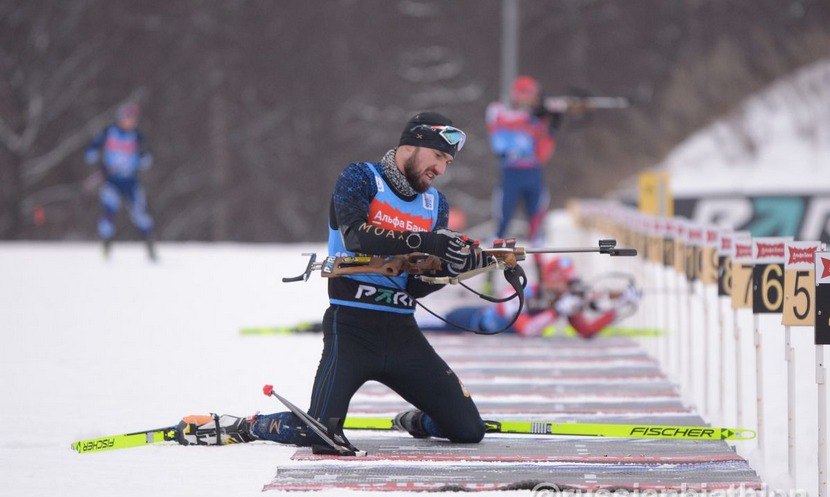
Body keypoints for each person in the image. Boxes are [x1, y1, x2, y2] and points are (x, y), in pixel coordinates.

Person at [175, 112, 492, 447]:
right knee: (322, 434)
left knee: (469, 430)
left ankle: (419, 420)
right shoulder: (361, 177)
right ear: (414, 144)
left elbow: (414, 286)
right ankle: (249, 426)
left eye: (447, 162)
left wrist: (451, 269)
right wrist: (426, 241)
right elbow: (357, 238)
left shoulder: (435, 203)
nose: (441, 169)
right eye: (439, 156)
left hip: (402, 334)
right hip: (352, 328)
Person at [419, 257, 641, 338]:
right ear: (552, 280)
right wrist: (557, 311)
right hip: (470, 321)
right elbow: (527, 330)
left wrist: (617, 307)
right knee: (425, 326)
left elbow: (586, 331)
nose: (568, 287)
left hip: (493, 333)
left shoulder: (562, 300)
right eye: (565, 281)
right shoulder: (524, 293)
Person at [486, 76, 562, 248]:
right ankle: (491, 263)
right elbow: (499, 130)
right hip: (510, 173)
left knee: (536, 225)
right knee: (502, 223)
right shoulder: (498, 110)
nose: (532, 99)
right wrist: (531, 116)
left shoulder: (536, 120)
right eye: (528, 94)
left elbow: (542, 153)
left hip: (533, 173)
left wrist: (551, 129)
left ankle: (540, 265)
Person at [85, 102, 156, 260]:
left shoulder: (137, 135)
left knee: (140, 215)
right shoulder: (109, 132)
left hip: (130, 182)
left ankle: (150, 247)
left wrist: (143, 159)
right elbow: (92, 150)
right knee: (108, 212)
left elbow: (147, 156)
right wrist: (93, 155)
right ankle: (106, 248)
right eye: (127, 118)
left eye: (133, 119)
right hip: (112, 182)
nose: (130, 122)